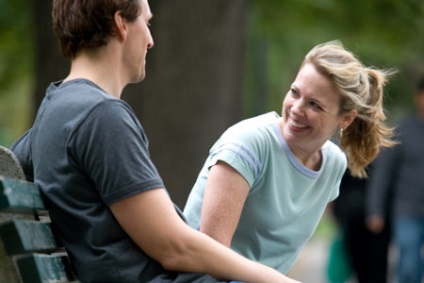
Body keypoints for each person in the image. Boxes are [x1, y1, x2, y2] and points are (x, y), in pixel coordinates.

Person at [10, 0, 300, 282]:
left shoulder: (56, 108)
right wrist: (270, 277)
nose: (150, 40)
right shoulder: (101, 116)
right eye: (146, 23)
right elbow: (174, 248)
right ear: (121, 24)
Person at [183, 41, 397, 275]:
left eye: (314, 104)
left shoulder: (334, 164)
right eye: (295, 92)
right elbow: (210, 256)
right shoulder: (247, 143)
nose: (296, 108)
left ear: (345, 119)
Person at [366, 77, 424, 283]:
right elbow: (383, 173)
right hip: (407, 210)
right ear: (418, 97)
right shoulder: (403, 130)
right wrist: (375, 210)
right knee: (408, 265)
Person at [329, 166, 392, 283]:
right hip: (352, 215)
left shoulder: (384, 153)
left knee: (376, 267)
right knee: (359, 265)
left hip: (378, 217)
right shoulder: (345, 154)